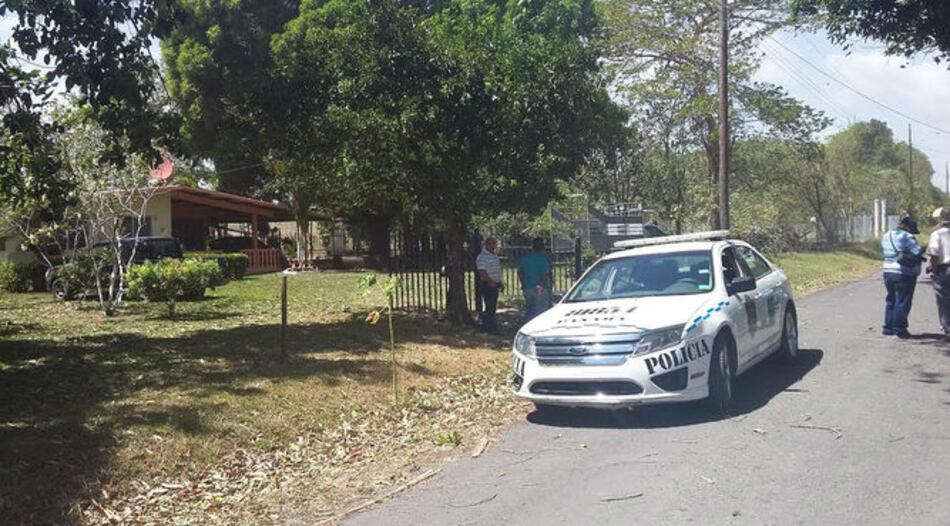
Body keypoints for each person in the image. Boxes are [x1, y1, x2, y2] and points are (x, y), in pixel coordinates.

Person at [881, 216, 925, 338]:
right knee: (903, 301)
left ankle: (888, 327)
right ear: (909, 227)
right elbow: (916, 251)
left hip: (888, 270)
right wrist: (924, 249)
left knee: (891, 300)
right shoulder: (907, 236)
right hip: (904, 272)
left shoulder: (886, 235)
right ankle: (900, 329)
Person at [927, 207, 950, 336]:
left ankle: (947, 328)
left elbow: (934, 256)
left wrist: (934, 272)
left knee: (944, 300)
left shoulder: (937, 234)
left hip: (945, 269)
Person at [519, 237, 553, 321]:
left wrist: (523, 284)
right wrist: (541, 286)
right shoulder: (542, 259)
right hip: (540, 289)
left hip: (528, 288)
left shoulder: (525, 259)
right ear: (543, 248)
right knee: (541, 312)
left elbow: (520, 272)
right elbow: (545, 274)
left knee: (531, 309)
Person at [475, 237, 502, 334]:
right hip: (487, 284)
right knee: (489, 307)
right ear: (487, 244)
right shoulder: (482, 257)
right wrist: (490, 281)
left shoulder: (494, 255)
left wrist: (499, 282)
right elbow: (482, 271)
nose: (495, 246)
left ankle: (488, 327)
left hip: (495, 284)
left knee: (492, 307)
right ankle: (489, 328)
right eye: (493, 244)